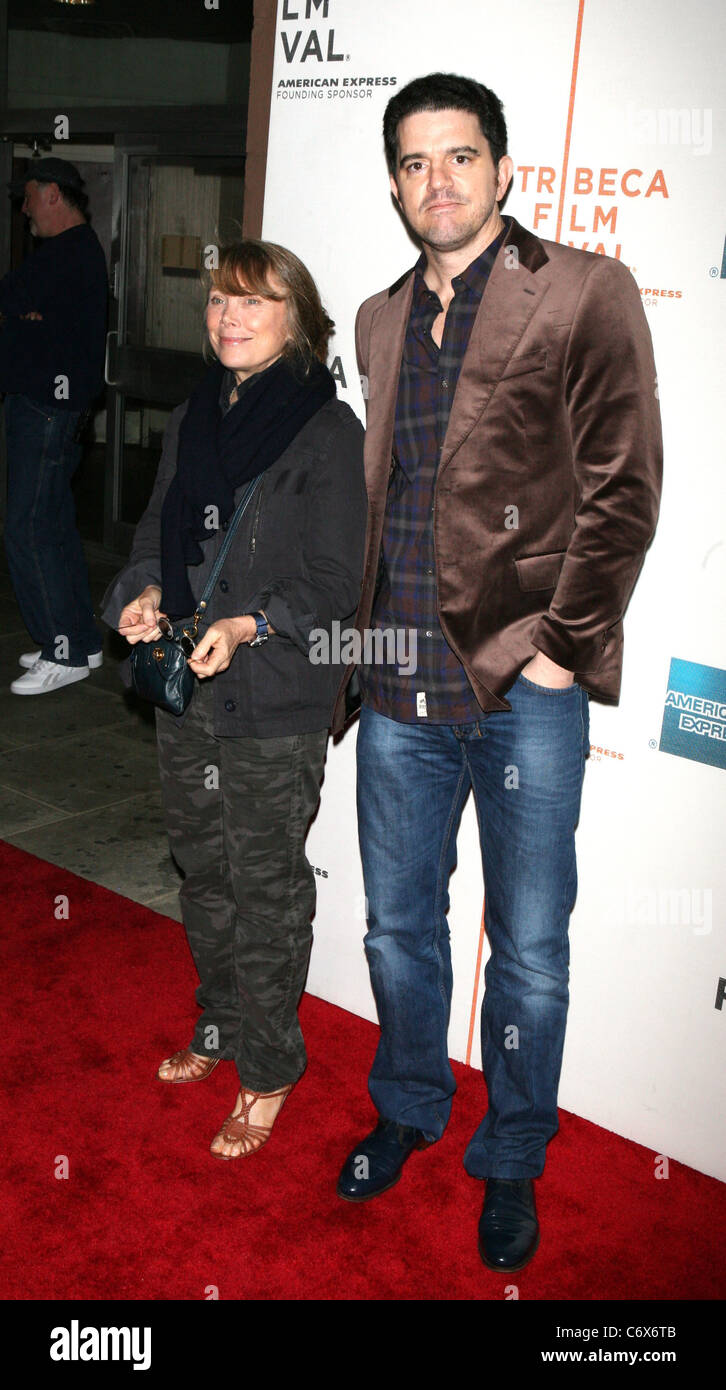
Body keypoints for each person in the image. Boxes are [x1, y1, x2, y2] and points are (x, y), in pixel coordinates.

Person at [332, 73, 662, 1270]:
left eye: (461, 157)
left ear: (504, 168)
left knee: (527, 948)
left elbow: (625, 487)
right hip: (396, 693)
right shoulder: (375, 319)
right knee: (398, 931)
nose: (440, 183)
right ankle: (411, 1104)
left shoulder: (581, 290)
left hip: (525, 692)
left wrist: (566, 655)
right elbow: (387, 505)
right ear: (394, 182)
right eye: (416, 164)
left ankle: (512, 1153)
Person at [101, 239, 366, 1159]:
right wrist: (139, 596)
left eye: (252, 302)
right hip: (186, 686)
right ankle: (217, 1022)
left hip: (275, 697)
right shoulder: (192, 418)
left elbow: (336, 585)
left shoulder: (327, 432)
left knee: (264, 886)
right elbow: (153, 537)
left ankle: (269, 1067)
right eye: (218, 300)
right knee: (201, 870)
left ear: (295, 318)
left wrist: (251, 624)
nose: (229, 318)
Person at [1, 157, 108, 694]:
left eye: (29, 197)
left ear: (53, 195)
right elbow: (15, 309)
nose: (23, 211)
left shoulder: (68, 255)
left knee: (27, 528)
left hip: (46, 411)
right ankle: (80, 643)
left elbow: (9, 305)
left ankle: (59, 649)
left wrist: (22, 320)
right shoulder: (71, 253)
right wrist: (24, 320)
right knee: (55, 526)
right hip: (55, 409)